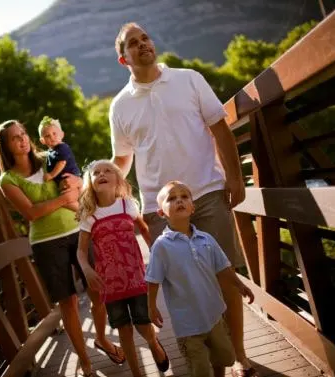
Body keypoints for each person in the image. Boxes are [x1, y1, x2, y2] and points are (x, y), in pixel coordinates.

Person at [109, 22, 257, 377]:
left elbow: (219, 126)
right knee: (181, 288)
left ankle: (238, 355)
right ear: (122, 58)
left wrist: (235, 177)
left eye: (145, 37)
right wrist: (97, 185)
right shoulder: (119, 106)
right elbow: (123, 159)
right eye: (133, 42)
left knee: (224, 275)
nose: (143, 44)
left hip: (206, 192)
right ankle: (201, 360)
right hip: (159, 208)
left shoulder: (188, 78)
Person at [0, 120, 125, 377]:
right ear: (5, 147)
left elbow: (77, 183)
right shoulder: (7, 179)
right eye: (14, 138)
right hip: (46, 243)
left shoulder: (49, 158)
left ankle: (102, 339)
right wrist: (64, 199)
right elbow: (32, 213)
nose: (21, 140)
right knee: (68, 303)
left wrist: (75, 186)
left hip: (78, 232)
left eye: (23, 134)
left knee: (99, 290)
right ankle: (85, 363)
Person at [146, 181, 255, 377]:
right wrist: (151, 306)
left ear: (192, 207)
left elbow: (223, 267)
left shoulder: (206, 239)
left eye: (184, 197)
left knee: (225, 357)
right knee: (200, 370)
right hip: (187, 324)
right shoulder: (161, 247)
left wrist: (239, 284)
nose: (179, 200)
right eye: (171, 198)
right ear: (161, 213)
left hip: (215, 315)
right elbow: (153, 279)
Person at [76, 160, 169, 377]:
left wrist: (156, 256)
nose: (101, 174)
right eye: (96, 172)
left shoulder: (128, 205)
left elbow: (145, 230)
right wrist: (87, 270)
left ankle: (154, 344)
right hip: (109, 283)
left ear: (118, 178)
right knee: (124, 329)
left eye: (108, 170)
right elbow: (81, 252)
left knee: (143, 325)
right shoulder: (90, 215)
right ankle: (137, 373)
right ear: (89, 182)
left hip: (136, 276)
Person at [38, 116, 81, 188]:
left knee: (70, 195)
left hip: (69, 177)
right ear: (42, 141)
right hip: (62, 181)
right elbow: (45, 154)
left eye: (54, 133)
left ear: (62, 134)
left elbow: (62, 163)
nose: (52, 137)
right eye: (47, 136)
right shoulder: (51, 151)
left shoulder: (62, 147)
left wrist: (51, 175)